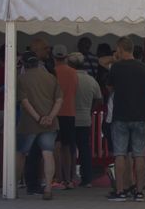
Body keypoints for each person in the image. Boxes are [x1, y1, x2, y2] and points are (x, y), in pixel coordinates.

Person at [104, 37, 145, 203]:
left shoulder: (116, 68)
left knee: (120, 154)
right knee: (139, 154)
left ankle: (121, 191)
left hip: (120, 116)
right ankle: (139, 192)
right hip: (141, 116)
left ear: (120, 49)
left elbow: (110, 88)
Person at [14, 53, 61, 200]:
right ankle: (48, 188)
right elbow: (59, 100)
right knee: (48, 153)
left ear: (24, 64)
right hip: (50, 123)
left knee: (21, 153)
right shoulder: (51, 78)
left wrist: (38, 118)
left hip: (29, 123)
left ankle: (13, 186)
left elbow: (24, 101)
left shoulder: (21, 79)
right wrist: (50, 117)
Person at [68, 52, 102, 189]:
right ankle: (86, 178)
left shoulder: (68, 79)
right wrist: (90, 110)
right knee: (84, 149)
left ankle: (68, 177)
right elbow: (99, 99)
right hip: (85, 118)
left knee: (68, 148)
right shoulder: (91, 80)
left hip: (68, 118)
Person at [53, 48, 79, 190]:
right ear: (66, 57)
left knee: (56, 145)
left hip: (55, 112)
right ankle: (68, 178)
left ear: (54, 58)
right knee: (68, 146)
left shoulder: (52, 72)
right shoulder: (73, 72)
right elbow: (75, 90)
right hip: (70, 111)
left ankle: (58, 178)